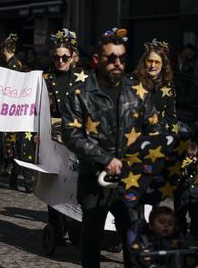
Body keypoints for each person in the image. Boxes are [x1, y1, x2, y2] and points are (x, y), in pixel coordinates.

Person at [61, 27, 161, 268]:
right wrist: (105, 158)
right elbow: (71, 134)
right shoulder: (80, 93)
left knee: (133, 235)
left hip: (129, 180)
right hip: (94, 180)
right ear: (97, 59)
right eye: (111, 58)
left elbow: (155, 130)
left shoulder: (138, 91)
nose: (118, 63)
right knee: (92, 237)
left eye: (122, 58)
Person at [44, 27, 81, 243]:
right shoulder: (45, 78)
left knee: (74, 181)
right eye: (57, 57)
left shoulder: (83, 78)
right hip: (52, 138)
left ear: (73, 58)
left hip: (76, 138)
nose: (61, 61)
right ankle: (56, 226)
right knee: (54, 181)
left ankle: (75, 222)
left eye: (65, 57)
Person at [0, 33, 36, 193]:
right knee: (17, 149)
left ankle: (27, 183)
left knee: (23, 149)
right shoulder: (13, 63)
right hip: (14, 114)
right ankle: (15, 181)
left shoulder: (13, 65)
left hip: (17, 114)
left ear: (4, 49)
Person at [129, 206, 198, 268]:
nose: (166, 225)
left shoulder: (176, 238)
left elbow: (185, 249)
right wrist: (141, 254)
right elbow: (134, 249)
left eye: (170, 223)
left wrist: (189, 257)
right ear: (151, 226)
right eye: (162, 222)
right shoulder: (145, 237)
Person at [136, 39, 178, 134]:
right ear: (144, 62)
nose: (153, 65)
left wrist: (174, 140)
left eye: (157, 62)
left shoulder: (168, 85)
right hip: (136, 136)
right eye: (150, 61)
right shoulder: (133, 82)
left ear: (163, 65)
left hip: (160, 136)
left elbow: (171, 116)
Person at [174, 141, 198, 239]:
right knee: (180, 215)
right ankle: (181, 231)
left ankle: (196, 231)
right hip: (182, 194)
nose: (190, 158)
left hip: (196, 194)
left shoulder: (197, 164)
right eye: (188, 156)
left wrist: (197, 163)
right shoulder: (178, 164)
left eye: (192, 156)